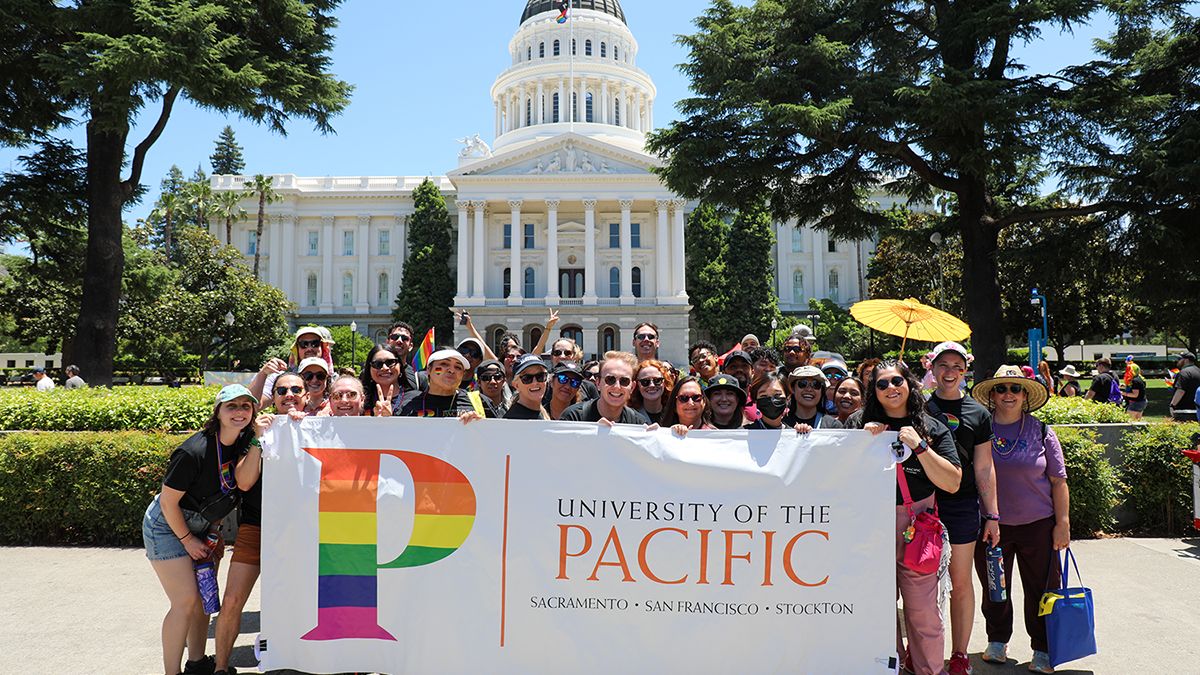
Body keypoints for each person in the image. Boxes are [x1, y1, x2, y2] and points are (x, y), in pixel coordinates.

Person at [142, 385, 267, 675]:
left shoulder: (241, 442)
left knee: (203, 600)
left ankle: (197, 664)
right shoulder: (193, 451)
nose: (239, 412)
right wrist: (187, 541)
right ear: (218, 412)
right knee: (185, 601)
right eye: (231, 407)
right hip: (169, 526)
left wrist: (212, 531)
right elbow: (169, 502)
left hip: (203, 526)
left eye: (245, 407)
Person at [848, 361, 961, 675]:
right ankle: (891, 668)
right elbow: (840, 477)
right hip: (871, 530)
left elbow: (952, 482)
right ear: (874, 391)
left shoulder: (932, 426)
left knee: (924, 613)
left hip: (919, 530)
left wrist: (920, 446)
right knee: (878, 613)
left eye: (896, 380)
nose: (890, 388)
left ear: (909, 383)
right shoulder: (859, 423)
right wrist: (861, 444)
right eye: (881, 384)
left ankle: (929, 670)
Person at [971, 366, 1069, 674]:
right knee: (994, 586)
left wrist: (1063, 522)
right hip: (990, 525)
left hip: (1038, 524)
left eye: (1016, 388)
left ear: (1025, 395)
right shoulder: (980, 430)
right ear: (992, 395)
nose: (1009, 394)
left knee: (1041, 588)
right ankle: (997, 641)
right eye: (1002, 389)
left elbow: (1058, 481)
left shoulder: (1041, 430)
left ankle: (1043, 647)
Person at [212, 375, 306, 675]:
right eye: (282, 390)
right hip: (256, 527)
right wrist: (257, 438)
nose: (289, 395)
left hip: (299, 533)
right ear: (273, 396)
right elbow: (245, 480)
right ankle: (221, 667)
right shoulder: (251, 431)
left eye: (296, 389)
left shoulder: (317, 426)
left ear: (307, 395)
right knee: (232, 599)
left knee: (303, 602)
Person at [924, 342, 1000, 675]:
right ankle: (924, 650)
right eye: (943, 365)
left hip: (962, 505)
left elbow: (984, 467)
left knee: (960, 581)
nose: (950, 372)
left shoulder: (978, 413)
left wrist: (992, 514)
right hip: (924, 504)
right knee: (922, 582)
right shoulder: (919, 409)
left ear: (965, 370)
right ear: (932, 368)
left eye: (957, 365)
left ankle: (959, 654)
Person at [248, 326, 335, 404]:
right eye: (303, 344)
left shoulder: (335, 381)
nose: (309, 348)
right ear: (296, 349)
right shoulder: (279, 378)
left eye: (315, 343)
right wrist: (263, 373)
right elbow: (252, 405)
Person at [559, 351, 649, 425]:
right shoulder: (573, 418)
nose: (617, 387)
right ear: (598, 383)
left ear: (632, 387)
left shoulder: (638, 424)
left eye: (624, 381)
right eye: (610, 379)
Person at [399, 349, 495, 418]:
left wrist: (478, 427)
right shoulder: (407, 403)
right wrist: (386, 420)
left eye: (458, 367)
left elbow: (498, 438)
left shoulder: (480, 402)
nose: (452, 370)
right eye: (444, 364)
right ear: (428, 369)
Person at [782, 366, 842, 430]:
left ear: (822, 391)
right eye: (803, 384)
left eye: (816, 385)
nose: (809, 389)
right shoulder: (781, 424)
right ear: (793, 389)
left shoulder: (833, 426)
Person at [360, 344, 405, 417]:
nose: (385, 368)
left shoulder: (417, 399)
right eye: (378, 364)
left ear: (399, 365)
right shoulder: (360, 400)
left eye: (390, 362)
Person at [505, 354, 551, 419]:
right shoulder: (513, 420)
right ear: (516, 385)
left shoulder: (541, 412)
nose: (535, 383)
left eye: (540, 376)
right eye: (527, 378)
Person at [629, 359, 674, 424]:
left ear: (665, 383)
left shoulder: (675, 413)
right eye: (645, 382)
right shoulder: (629, 416)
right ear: (637, 385)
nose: (652, 385)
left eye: (657, 380)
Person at [385, 321, 421, 392]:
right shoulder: (374, 373)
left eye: (405, 338)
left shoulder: (418, 379)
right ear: (387, 342)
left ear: (410, 346)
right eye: (395, 337)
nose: (399, 341)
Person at [1169, 352, 1200, 418]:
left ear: (1186, 360)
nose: (1177, 361)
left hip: (1184, 411)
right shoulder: (1198, 371)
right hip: (1197, 408)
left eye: (1179, 359)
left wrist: (1172, 405)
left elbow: (1180, 391)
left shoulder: (1183, 373)